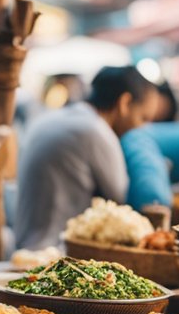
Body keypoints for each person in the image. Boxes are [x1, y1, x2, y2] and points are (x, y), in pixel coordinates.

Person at [15, 66, 157, 250]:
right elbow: (121, 205)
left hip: (24, 247)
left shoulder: (49, 119)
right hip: (55, 255)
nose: (141, 128)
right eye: (142, 118)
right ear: (124, 103)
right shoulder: (95, 131)